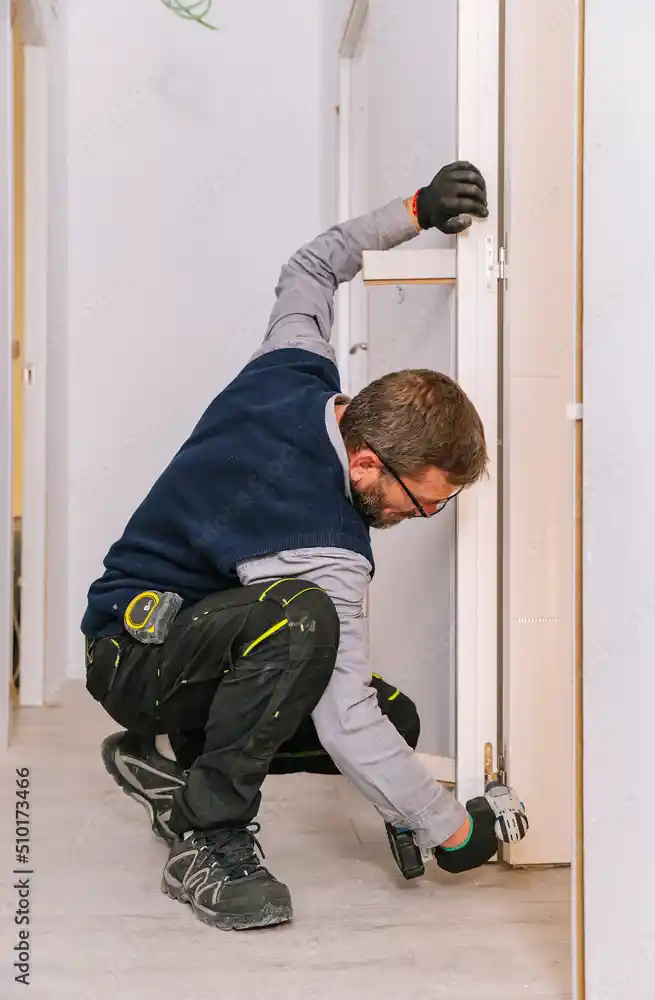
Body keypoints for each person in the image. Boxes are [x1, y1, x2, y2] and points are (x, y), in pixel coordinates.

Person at [82, 160, 500, 932]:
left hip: (198, 641)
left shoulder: (293, 367)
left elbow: (313, 265)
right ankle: (208, 835)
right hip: (129, 654)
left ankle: (175, 768)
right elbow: (340, 720)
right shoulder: (319, 549)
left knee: (394, 722)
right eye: (424, 502)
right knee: (305, 625)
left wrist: (415, 210)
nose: (421, 515)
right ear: (369, 461)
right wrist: (452, 829)